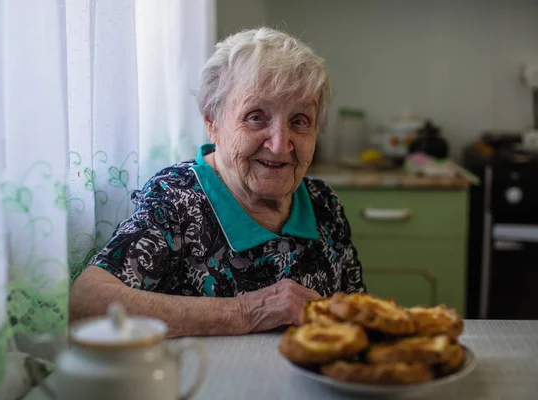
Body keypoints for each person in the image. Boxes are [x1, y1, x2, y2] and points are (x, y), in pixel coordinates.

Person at [70, 27, 366, 337]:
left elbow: (360, 316)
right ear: (212, 122)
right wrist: (245, 312)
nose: (280, 145)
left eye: (299, 121)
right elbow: (86, 302)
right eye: (256, 117)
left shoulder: (324, 203)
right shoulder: (177, 199)